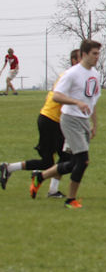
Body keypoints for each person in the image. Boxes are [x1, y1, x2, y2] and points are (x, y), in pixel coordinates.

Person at [29, 39, 102, 209]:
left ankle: (40, 177)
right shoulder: (72, 74)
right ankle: (70, 200)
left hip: (83, 121)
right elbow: (56, 96)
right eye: (94, 53)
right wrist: (76, 102)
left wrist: (94, 124)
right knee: (83, 161)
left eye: (98, 54)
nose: (97, 57)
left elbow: (92, 101)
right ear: (84, 54)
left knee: (73, 163)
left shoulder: (95, 74)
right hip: (70, 120)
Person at [1, 48, 80, 197]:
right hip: (51, 120)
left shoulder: (72, 76)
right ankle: (14, 170)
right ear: (74, 60)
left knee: (61, 159)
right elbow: (58, 97)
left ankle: (12, 169)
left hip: (53, 120)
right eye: (81, 58)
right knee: (55, 161)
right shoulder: (70, 76)